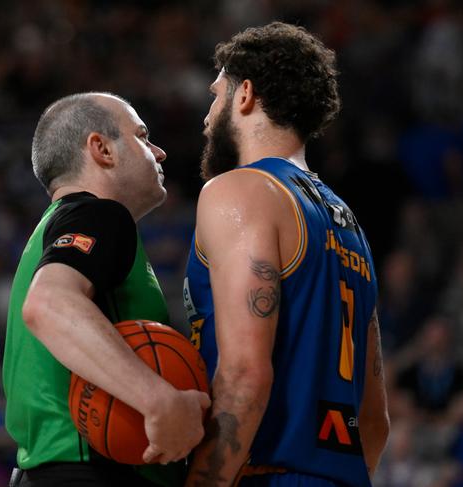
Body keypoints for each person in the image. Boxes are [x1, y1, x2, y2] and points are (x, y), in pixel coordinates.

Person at [183, 23, 390, 487]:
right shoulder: (348, 222)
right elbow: (374, 424)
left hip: (262, 474)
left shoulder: (239, 190)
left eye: (215, 96)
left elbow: (244, 376)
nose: (207, 115)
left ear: (245, 95)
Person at [2, 92, 210, 487]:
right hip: (91, 472)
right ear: (101, 149)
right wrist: (158, 399)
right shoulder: (100, 213)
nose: (160, 152)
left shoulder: (54, 226)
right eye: (143, 137)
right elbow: (49, 304)